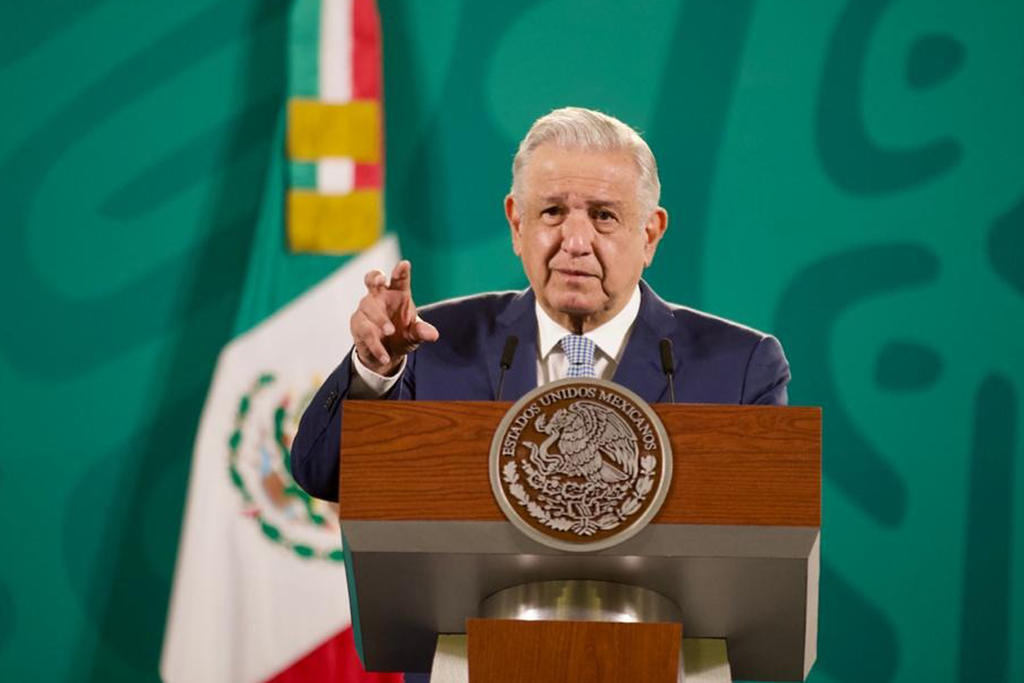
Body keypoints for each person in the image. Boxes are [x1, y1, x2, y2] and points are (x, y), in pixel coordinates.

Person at [291, 107, 790, 501]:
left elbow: (767, 533)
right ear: (517, 224)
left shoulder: (740, 369)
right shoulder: (433, 346)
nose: (575, 241)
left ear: (650, 234)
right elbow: (322, 475)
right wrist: (374, 370)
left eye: (604, 216)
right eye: (552, 212)